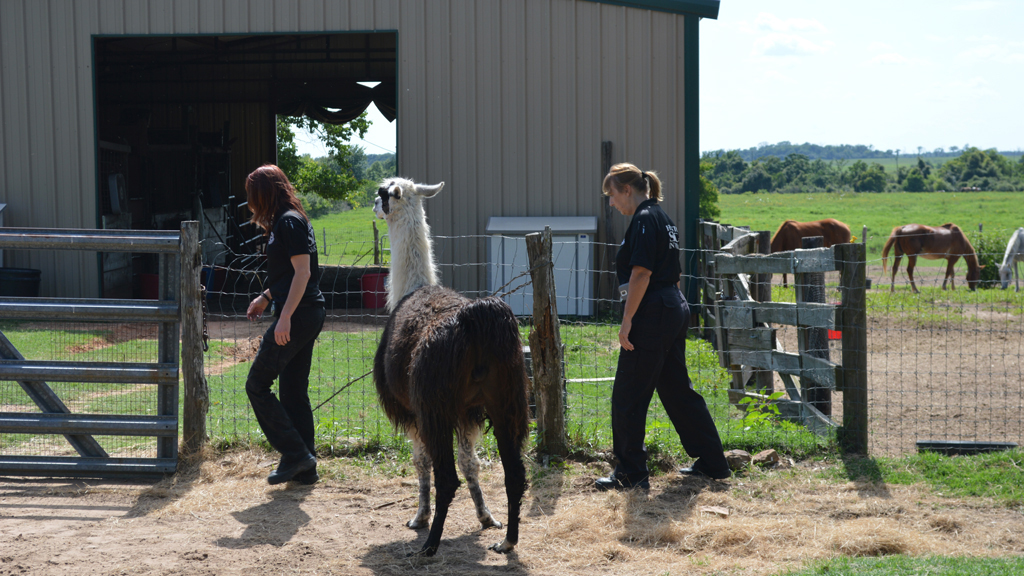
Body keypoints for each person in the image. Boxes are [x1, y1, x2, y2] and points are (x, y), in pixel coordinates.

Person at [595, 163, 731, 491]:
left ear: (627, 189)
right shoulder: (662, 217)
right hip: (673, 304)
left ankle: (631, 473)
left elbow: (641, 273)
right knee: (676, 390)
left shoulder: (643, 219)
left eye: (611, 195)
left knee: (628, 394)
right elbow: (674, 269)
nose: (611, 203)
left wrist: (627, 321)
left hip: (653, 309)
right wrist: (672, 308)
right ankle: (712, 462)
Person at [244, 164, 326, 485]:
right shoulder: (288, 220)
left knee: (257, 385)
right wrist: (266, 296)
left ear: (265, 194)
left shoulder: (288, 222)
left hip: (300, 315)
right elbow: (290, 273)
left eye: (252, 196)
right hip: (306, 312)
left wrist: (285, 317)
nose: (250, 203)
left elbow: (303, 273)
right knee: (293, 393)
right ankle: (306, 467)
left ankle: (296, 454)